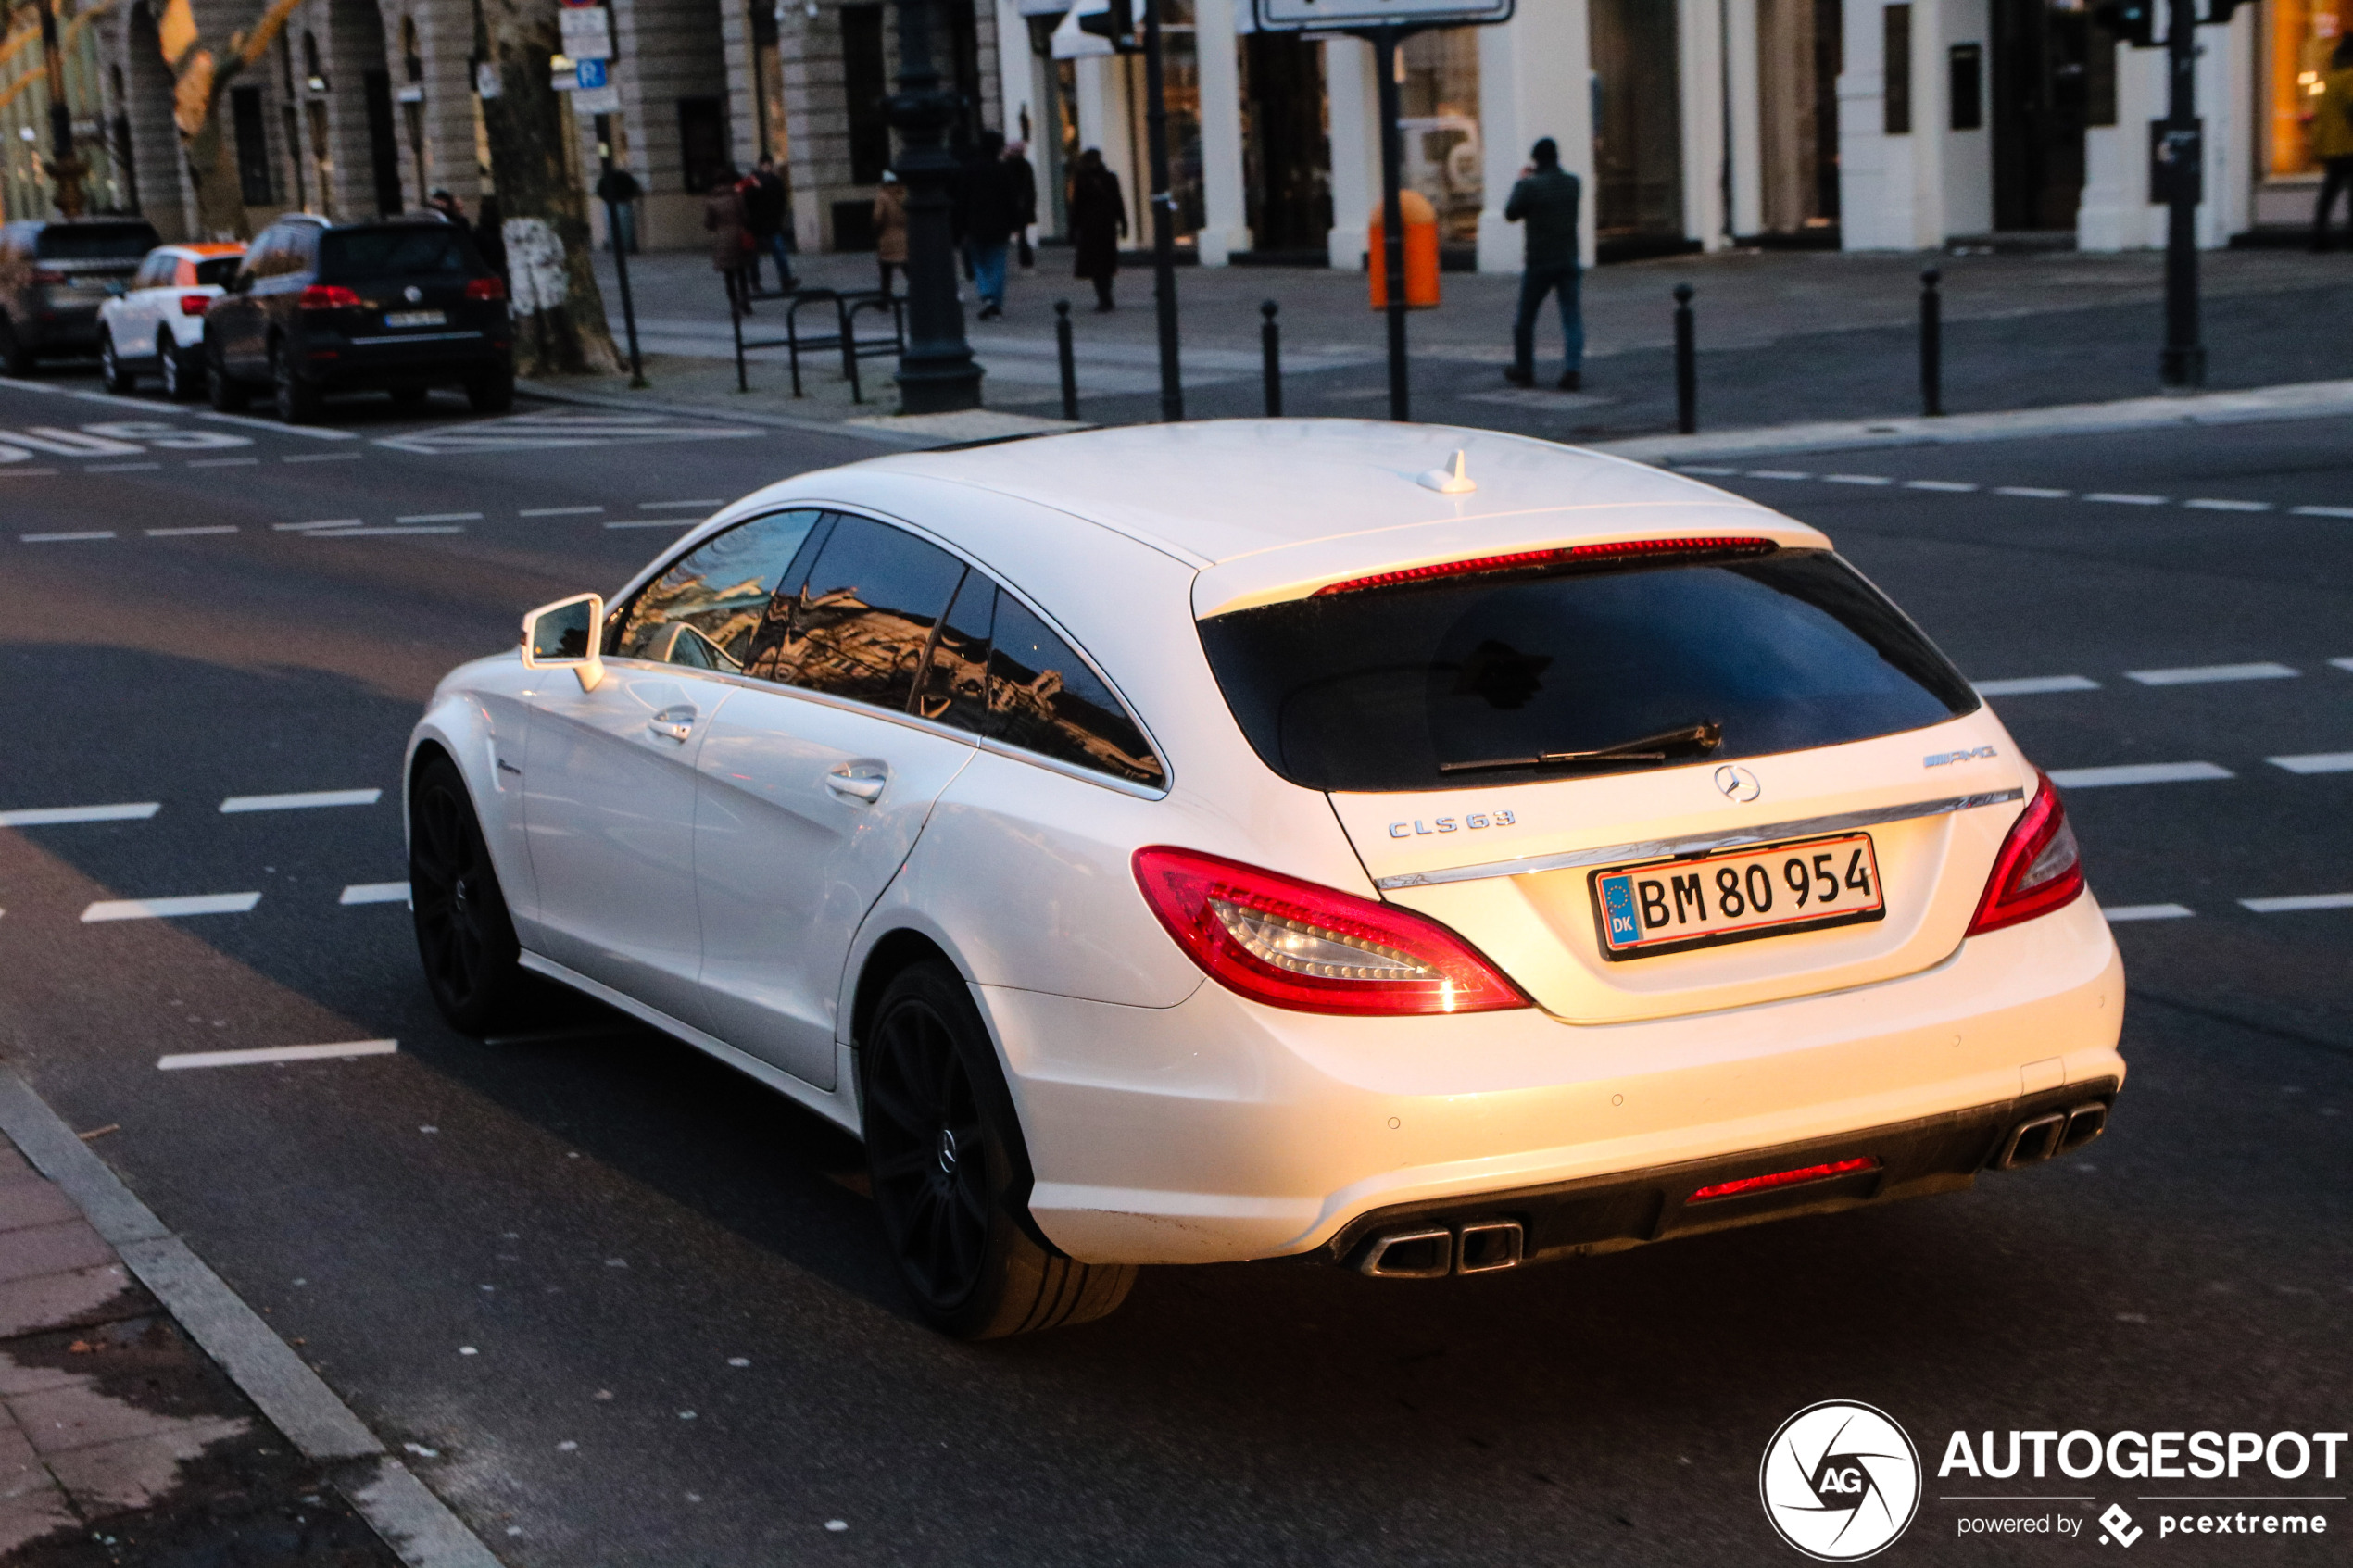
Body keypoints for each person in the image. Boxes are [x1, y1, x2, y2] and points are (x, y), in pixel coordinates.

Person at [1502, 138, 1585, 391]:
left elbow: (1511, 213)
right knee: (1571, 317)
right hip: (1568, 258)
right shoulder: (1573, 184)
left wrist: (1522, 181)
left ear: (1536, 160)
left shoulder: (1530, 187)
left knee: (1525, 319)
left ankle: (1525, 370)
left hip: (1539, 261)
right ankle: (1573, 369)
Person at [957, 129, 1020, 320]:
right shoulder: (1003, 170)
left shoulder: (969, 169)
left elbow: (962, 200)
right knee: (998, 264)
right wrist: (1015, 223)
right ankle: (996, 302)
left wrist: (961, 225)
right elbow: (1011, 198)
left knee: (978, 263)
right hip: (1000, 224)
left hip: (975, 224)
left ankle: (987, 296)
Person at [1068, 148, 1126, 313]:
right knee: (1106, 263)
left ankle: (1103, 298)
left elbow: (1076, 206)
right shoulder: (1110, 178)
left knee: (1095, 264)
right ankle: (1107, 296)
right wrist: (1123, 221)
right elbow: (1118, 201)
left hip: (1089, 227)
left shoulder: (1082, 179)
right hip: (1107, 224)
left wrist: (1073, 229)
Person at [2313, 37, 2353, 251]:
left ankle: (2319, 235)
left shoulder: (2329, 80)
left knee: (2329, 193)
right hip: (2348, 144)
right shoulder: (2350, 77)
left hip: (2330, 146)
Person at [704, 167, 754, 315]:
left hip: (723, 238)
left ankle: (734, 305)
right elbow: (745, 216)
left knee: (729, 275)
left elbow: (708, 223)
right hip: (739, 236)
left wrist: (719, 228)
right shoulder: (736, 196)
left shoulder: (711, 200)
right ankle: (745, 302)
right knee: (742, 272)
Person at [744, 155, 798, 292]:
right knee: (777, 253)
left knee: (755, 256)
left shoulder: (750, 180)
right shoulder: (774, 180)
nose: (767, 167)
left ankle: (756, 282)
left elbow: (743, 198)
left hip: (756, 224)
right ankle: (784, 280)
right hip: (768, 224)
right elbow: (782, 201)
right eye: (767, 164)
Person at [873, 170, 908, 296]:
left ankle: (885, 299)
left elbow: (878, 217)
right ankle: (918, 295)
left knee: (886, 271)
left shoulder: (883, 196)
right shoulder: (905, 194)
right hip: (904, 237)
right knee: (908, 268)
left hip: (887, 237)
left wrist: (877, 230)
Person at [1004, 139, 1038, 270]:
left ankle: (1024, 257)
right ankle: (1026, 259)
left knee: (1015, 231)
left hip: (1011, 202)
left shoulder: (1007, 165)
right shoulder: (1026, 165)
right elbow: (1030, 186)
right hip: (1024, 203)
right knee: (1022, 231)